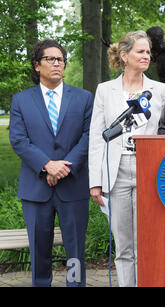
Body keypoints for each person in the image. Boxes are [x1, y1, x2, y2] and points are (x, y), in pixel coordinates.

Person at [9, 39, 93, 287]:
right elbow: (19, 140)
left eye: (61, 59)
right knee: (39, 250)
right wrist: (47, 165)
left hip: (73, 186)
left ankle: (74, 285)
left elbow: (88, 136)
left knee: (75, 252)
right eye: (50, 59)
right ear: (37, 65)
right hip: (36, 189)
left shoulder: (83, 98)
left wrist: (63, 167)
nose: (57, 63)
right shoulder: (21, 100)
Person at [88, 30, 165, 287]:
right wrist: (95, 181)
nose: (146, 56)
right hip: (117, 170)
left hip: (151, 170)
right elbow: (96, 138)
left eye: (148, 52)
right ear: (125, 56)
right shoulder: (104, 90)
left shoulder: (161, 89)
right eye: (141, 51)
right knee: (124, 245)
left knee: (148, 242)